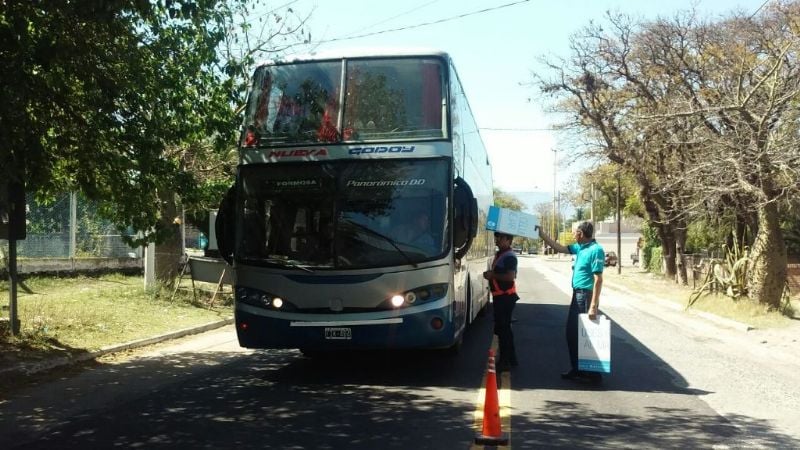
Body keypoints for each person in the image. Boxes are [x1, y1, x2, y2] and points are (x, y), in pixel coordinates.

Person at [538, 221, 605, 382]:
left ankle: (593, 374)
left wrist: (594, 306)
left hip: (585, 295)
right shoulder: (579, 248)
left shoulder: (596, 250)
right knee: (573, 334)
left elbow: (598, 280)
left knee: (583, 334)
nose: (572, 234)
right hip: (578, 294)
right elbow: (559, 247)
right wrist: (542, 234)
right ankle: (579, 369)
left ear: (581, 233)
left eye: (574, 232)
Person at [483, 232, 520, 371]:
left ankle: (505, 361)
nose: (497, 240)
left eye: (500, 238)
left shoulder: (509, 257)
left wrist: (492, 275)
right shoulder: (501, 254)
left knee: (503, 330)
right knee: (504, 329)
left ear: (509, 240)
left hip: (505, 298)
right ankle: (511, 358)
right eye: (496, 237)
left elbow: (510, 277)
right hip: (500, 297)